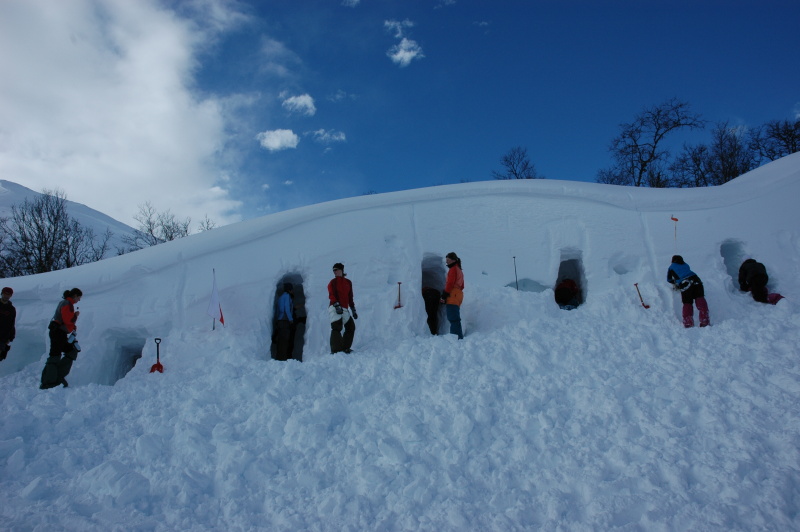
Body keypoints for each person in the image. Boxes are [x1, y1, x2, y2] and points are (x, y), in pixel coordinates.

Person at [40, 288, 83, 389]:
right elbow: (68, 320)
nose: (79, 300)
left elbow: (66, 320)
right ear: (75, 295)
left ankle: (56, 377)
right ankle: (49, 381)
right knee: (56, 354)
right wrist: (76, 316)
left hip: (59, 332)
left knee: (69, 351)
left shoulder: (66, 303)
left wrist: (73, 327)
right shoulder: (66, 303)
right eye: (79, 298)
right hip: (58, 332)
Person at [667, 255, 710, 328]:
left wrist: (675, 283)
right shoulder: (685, 264)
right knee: (700, 299)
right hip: (696, 281)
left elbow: (669, 279)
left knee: (687, 302)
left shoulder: (671, 267)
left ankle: (688, 323)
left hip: (685, 284)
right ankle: (704, 320)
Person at [328, 263, 357, 354]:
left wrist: (353, 309)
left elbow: (350, 297)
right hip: (335, 306)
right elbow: (331, 295)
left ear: (342, 270)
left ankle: (345, 348)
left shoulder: (348, 282)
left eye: (336, 269)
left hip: (344, 308)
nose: (334, 272)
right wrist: (336, 305)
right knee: (336, 327)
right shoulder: (332, 282)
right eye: (333, 270)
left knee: (350, 327)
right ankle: (335, 350)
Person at [440, 252, 464, 339]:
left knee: (453, 317)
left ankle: (456, 338)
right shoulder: (459, 269)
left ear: (453, 260)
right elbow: (462, 286)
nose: (447, 262)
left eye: (448, 260)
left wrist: (445, 295)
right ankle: (458, 337)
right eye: (446, 260)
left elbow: (450, 283)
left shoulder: (453, 269)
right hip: (458, 295)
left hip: (453, 294)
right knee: (455, 317)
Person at [274, 283, 294, 361]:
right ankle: (282, 359)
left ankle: (279, 357)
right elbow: (287, 309)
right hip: (285, 321)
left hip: (280, 321)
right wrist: (290, 319)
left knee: (281, 340)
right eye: (292, 289)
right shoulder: (287, 296)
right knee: (285, 341)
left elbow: (277, 311)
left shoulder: (280, 297)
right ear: (289, 289)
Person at [0, 287, 16, 362]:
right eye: (5, 294)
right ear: (2, 293)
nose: (6, 296)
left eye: (8, 295)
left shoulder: (11, 309)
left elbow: (12, 324)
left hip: (3, 338)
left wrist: (11, 337)